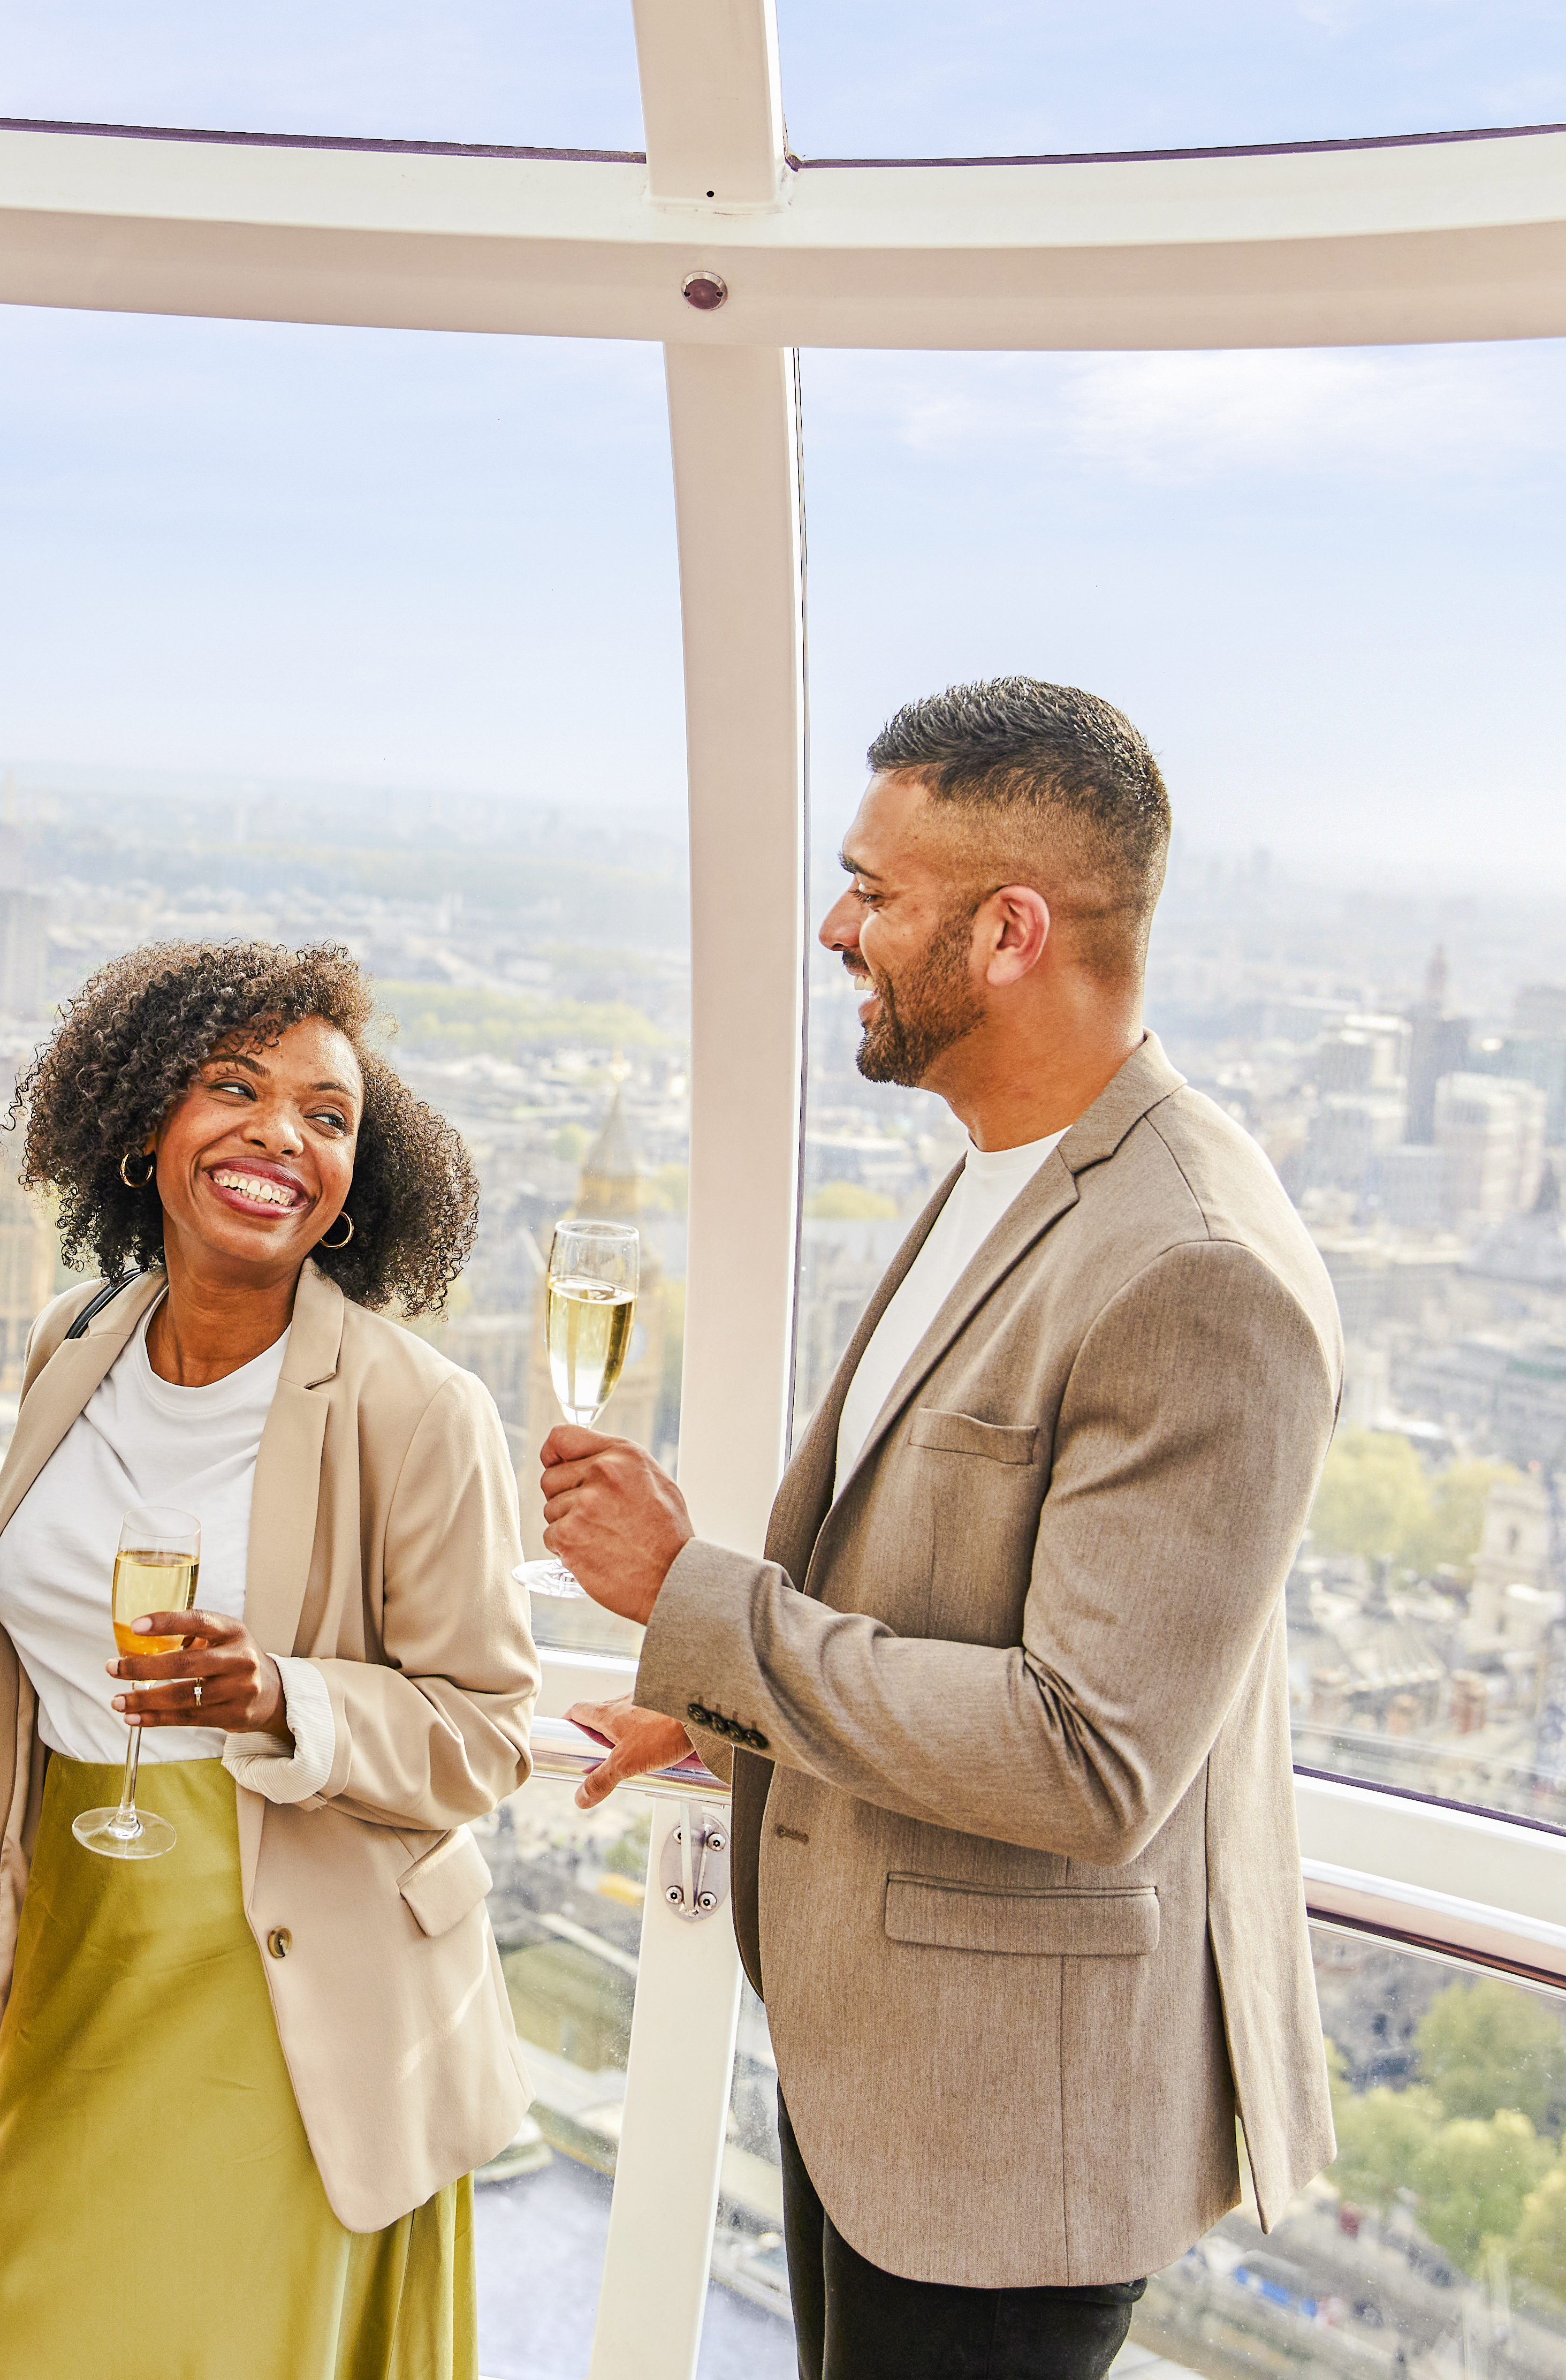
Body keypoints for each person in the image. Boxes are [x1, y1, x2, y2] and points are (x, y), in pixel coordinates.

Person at [542, 679, 1342, 2379]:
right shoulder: (1015, 1163)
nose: (837, 929)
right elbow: (943, 1594)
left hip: (1006, 2137)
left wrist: (697, 1609)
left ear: (1009, 932)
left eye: (875, 891)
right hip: (892, 2083)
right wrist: (710, 1709)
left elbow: (1088, 1756)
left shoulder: (1194, 1265)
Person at [0, 942, 535, 2380]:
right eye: (234, 1087)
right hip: (73, 1955)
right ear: (140, 1124)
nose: (280, 1135)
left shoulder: (415, 1411)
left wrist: (282, 1695)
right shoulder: (75, 1342)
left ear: (362, 1175)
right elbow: (40, 1639)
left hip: (285, 1990)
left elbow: (486, 1733)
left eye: (327, 1113)